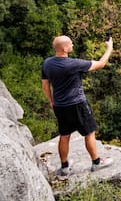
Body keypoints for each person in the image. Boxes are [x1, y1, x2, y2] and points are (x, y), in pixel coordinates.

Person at [41, 35, 114, 176]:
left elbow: (45, 84)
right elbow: (101, 64)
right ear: (64, 48)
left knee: (64, 135)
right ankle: (97, 162)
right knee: (89, 132)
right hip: (77, 104)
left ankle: (64, 167)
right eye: (70, 44)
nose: (73, 45)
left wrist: (51, 100)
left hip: (60, 105)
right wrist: (109, 47)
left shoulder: (47, 63)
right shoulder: (73, 64)